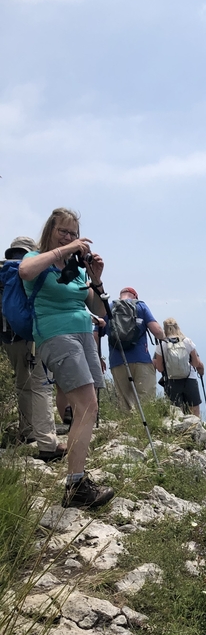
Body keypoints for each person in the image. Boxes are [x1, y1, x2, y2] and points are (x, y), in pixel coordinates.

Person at [19, 208, 114, 509]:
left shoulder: (76, 269)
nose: (70, 237)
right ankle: (76, 487)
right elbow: (25, 273)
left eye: (74, 233)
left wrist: (96, 280)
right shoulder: (35, 258)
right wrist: (66, 249)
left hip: (84, 335)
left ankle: (78, 482)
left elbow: (99, 311)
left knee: (88, 407)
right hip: (55, 334)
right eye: (64, 231)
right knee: (87, 405)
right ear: (50, 231)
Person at [0, 237, 66, 461]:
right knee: (41, 384)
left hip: (8, 337)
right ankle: (48, 442)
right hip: (33, 334)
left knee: (22, 383)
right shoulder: (33, 264)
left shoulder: (3, 267)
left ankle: (27, 431)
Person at [106, 287, 165, 411]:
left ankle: (128, 428)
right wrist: (164, 337)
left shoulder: (109, 307)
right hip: (141, 360)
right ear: (135, 296)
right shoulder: (140, 306)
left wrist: (99, 358)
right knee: (146, 400)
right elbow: (157, 331)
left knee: (125, 402)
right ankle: (146, 427)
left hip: (117, 361)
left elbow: (96, 333)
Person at [152, 318, 204, 416]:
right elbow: (196, 363)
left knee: (177, 413)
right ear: (177, 327)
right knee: (194, 411)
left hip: (171, 381)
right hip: (190, 379)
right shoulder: (187, 341)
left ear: (165, 329)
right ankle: (196, 429)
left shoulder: (162, 344)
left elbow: (160, 368)